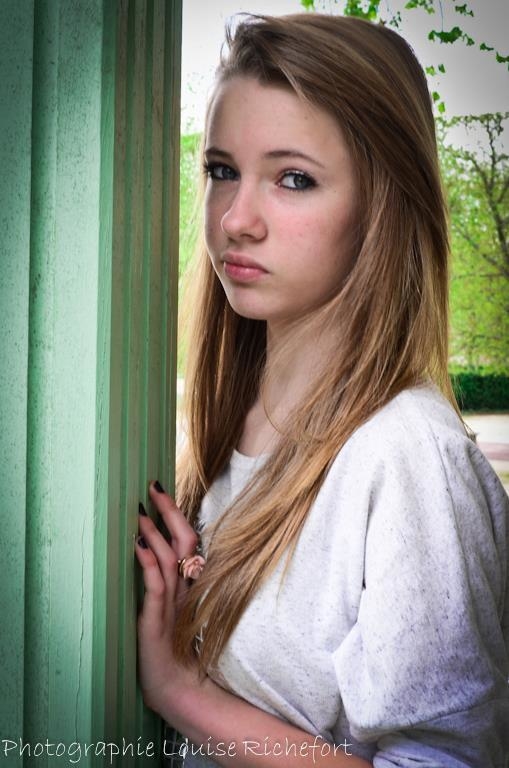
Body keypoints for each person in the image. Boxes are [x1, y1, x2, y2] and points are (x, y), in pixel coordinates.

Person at [135, 13, 509, 767]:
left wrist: (180, 690)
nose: (235, 219)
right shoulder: (223, 426)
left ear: (381, 204)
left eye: (293, 179)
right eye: (221, 170)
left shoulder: (406, 455)